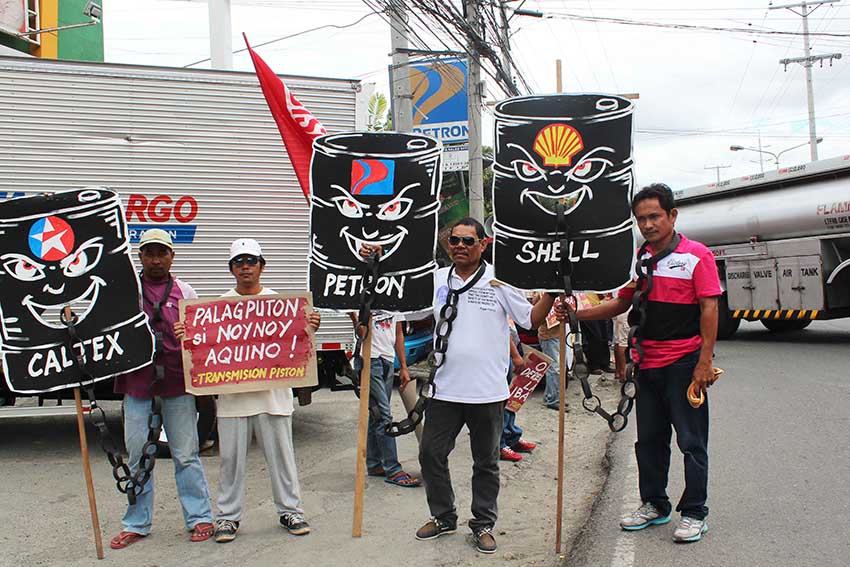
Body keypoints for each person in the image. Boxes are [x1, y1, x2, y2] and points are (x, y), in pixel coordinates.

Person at [563, 184, 721, 543]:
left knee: (691, 441)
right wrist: (576, 313)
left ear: (672, 216)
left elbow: (710, 308)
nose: (647, 225)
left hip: (684, 363)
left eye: (654, 217)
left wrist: (704, 362)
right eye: (641, 219)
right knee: (648, 441)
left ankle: (695, 512)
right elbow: (620, 304)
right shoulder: (639, 259)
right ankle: (654, 504)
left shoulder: (697, 256)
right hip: (646, 364)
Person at [414, 218, 556, 554]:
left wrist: (552, 289)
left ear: (483, 244)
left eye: (468, 241)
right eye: (455, 240)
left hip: (488, 392)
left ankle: (483, 524)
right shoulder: (436, 280)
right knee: (430, 454)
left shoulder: (499, 280)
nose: (460, 246)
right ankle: (444, 516)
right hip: (444, 391)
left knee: (486, 462)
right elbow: (402, 309)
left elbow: (530, 320)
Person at [197, 238, 320, 543]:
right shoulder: (217, 308)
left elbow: (298, 345)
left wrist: (309, 327)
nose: (245, 267)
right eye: (239, 262)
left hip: (273, 399)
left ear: (262, 266)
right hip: (233, 402)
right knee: (230, 463)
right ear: (231, 269)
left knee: (283, 459)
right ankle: (227, 517)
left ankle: (291, 510)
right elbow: (204, 348)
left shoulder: (282, 304)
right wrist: (190, 335)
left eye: (251, 261)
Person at [110, 229, 214, 549]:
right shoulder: (126, 291)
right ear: (139, 257)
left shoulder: (185, 290)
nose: (156, 259)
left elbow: (202, 337)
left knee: (186, 454)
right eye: (149, 253)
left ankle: (199, 518)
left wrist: (189, 334)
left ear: (172, 256)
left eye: (162, 253)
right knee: (139, 456)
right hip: (137, 386)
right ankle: (137, 522)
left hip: (177, 384)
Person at [349, 308, 421, 487]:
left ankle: (374, 464)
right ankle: (393, 469)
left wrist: (403, 366)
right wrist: (355, 317)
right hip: (369, 360)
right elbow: (361, 334)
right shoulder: (363, 301)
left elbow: (398, 333)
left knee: (377, 416)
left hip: (387, 358)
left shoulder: (393, 299)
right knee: (384, 416)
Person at [499, 322, 536, 462]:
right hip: (502, 351)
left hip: (511, 345)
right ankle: (500, 444)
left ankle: (511, 436)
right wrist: (514, 353)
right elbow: (499, 327)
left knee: (513, 397)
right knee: (503, 400)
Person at [533, 293, 573, 410]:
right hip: (549, 335)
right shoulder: (541, 295)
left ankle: (557, 397)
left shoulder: (562, 295)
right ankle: (551, 398)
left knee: (560, 368)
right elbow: (534, 315)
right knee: (554, 368)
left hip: (559, 334)